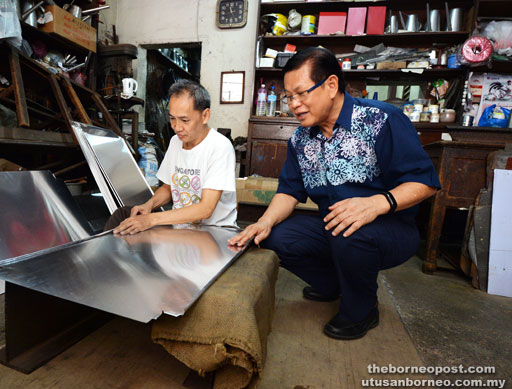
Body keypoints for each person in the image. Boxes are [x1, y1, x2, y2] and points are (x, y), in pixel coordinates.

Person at [229, 47, 441, 340]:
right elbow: (289, 191)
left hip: (391, 229)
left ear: (330, 85)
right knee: (274, 236)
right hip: (336, 225)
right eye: (289, 97)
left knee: (349, 229)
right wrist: (263, 222)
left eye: (302, 93)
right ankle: (333, 284)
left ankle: (362, 310)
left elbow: (426, 182)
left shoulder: (381, 120)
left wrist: (376, 204)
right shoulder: (301, 139)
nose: (294, 104)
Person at [108, 79, 237, 234]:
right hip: (180, 229)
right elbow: (169, 187)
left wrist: (151, 220)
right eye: (172, 118)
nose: (177, 127)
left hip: (214, 233)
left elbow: (206, 209)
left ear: (205, 116)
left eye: (184, 120)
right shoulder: (176, 142)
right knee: (122, 216)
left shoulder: (219, 146)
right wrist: (150, 204)